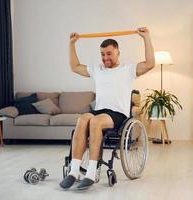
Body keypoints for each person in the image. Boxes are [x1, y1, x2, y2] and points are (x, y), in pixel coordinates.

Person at [60, 27, 155, 190]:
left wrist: (146, 37)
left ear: (118, 52)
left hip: (118, 115)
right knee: (82, 119)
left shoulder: (129, 70)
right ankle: (74, 171)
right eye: (103, 54)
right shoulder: (97, 70)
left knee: (95, 122)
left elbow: (150, 64)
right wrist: (71, 44)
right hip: (101, 111)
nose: (105, 58)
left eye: (109, 54)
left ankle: (90, 173)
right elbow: (75, 67)